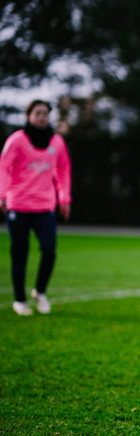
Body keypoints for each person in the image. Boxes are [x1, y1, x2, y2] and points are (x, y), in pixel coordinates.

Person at [0, 99, 72, 316]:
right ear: (29, 115)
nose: (42, 117)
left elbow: (63, 170)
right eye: (38, 113)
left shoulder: (57, 142)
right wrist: (2, 194)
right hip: (19, 205)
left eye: (45, 114)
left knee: (49, 250)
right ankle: (19, 300)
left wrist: (64, 198)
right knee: (20, 254)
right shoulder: (17, 140)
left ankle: (40, 292)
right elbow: (3, 167)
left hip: (45, 205)